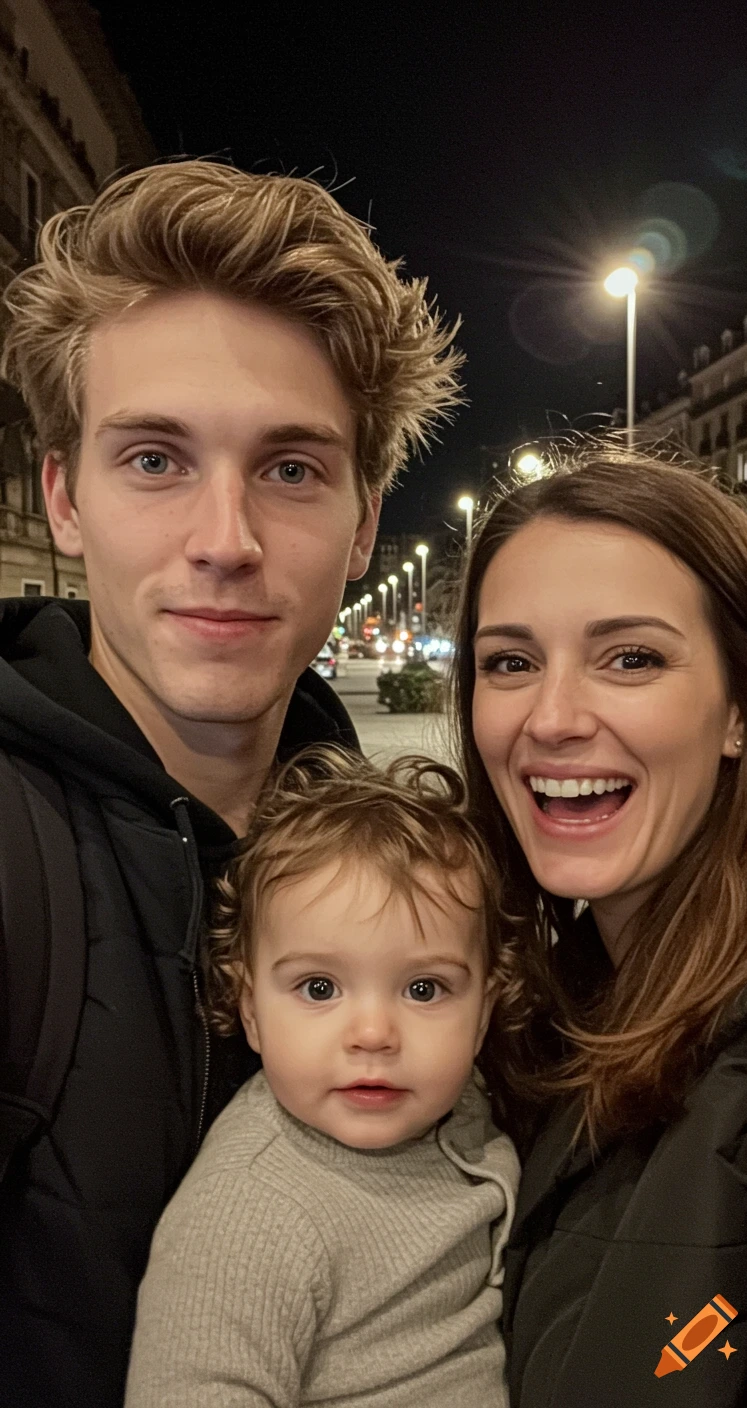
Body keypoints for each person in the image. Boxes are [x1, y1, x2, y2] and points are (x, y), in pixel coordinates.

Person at [0, 160, 462, 1408]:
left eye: (293, 469)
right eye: (154, 459)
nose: (225, 537)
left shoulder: (406, 857)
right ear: (65, 496)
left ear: (367, 521)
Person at [451, 442, 747, 1408]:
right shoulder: (539, 1007)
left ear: (742, 710)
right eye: (510, 661)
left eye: (629, 658)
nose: (551, 717)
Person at [124, 747, 521, 1407]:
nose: (373, 1033)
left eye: (424, 988)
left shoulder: (463, 1112)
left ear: (484, 1013)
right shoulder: (248, 1217)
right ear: (250, 1009)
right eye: (318, 987)